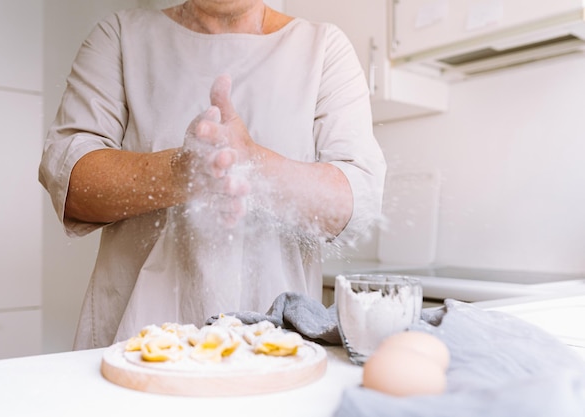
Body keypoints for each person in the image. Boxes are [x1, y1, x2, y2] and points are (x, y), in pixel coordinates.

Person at [39, 0, 387, 350]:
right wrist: (181, 174)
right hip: (134, 346)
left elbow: (355, 203)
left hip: (275, 349)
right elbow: (71, 183)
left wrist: (253, 164)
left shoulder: (323, 48)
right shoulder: (119, 37)